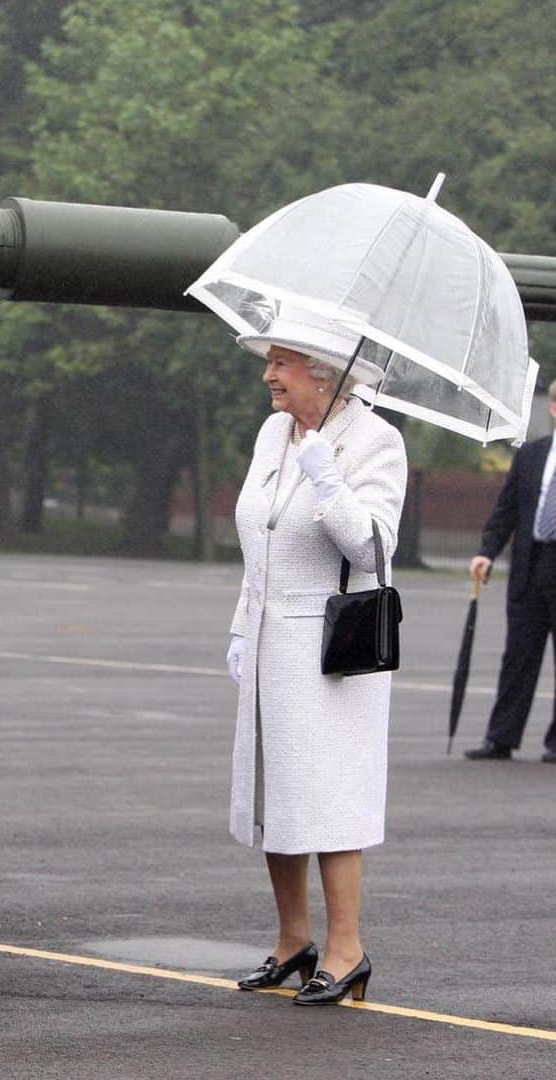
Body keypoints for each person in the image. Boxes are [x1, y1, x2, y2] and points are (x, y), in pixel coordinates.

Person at [226, 317, 407, 1006]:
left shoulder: (376, 441)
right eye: (269, 361)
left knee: (329, 794)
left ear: (327, 372)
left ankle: (347, 947)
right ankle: (292, 938)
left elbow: (372, 551)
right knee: (277, 791)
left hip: (331, 649)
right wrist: (243, 624)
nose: (269, 374)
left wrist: (329, 479)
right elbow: (260, 536)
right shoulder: (274, 432)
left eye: (283, 362)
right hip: (271, 636)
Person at [463, 377, 556, 763]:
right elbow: (507, 510)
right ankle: (500, 737)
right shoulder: (532, 455)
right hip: (530, 566)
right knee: (518, 655)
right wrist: (487, 551)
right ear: (553, 408)